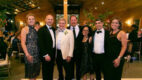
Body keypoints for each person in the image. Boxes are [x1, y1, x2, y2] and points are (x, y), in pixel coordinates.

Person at [21, 13, 40, 80]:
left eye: (32, 19)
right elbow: (23, 43)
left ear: (35, 20)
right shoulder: (24, 29)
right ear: (27, 20)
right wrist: (27, 54)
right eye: (29, 19)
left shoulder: (36, 29)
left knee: (35, 73)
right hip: (29, 54)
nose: (31, 20)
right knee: (31, 74)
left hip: (37, 54)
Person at [37, 14, 56, 80]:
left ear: (53, 21)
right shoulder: (41, 30)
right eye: (48, 19)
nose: (50, 21)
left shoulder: (54, 29)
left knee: (51, 71)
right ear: (45, 20)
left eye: (51, 19)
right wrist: (45, 55)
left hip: (52, 53)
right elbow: (40, 44)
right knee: (45, 72)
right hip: (46, 54)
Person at [67, 15, 82, 80]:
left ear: (77, 20)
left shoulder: (81, 29)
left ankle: (78, 78)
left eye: (74, 20)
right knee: (70, 67)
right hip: (70, 52)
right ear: (70, 21)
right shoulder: (66, 29)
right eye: (72, 20)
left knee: (79, 67)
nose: (73, 21)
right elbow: (64, 39)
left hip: (79, 52)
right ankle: (72, 78)